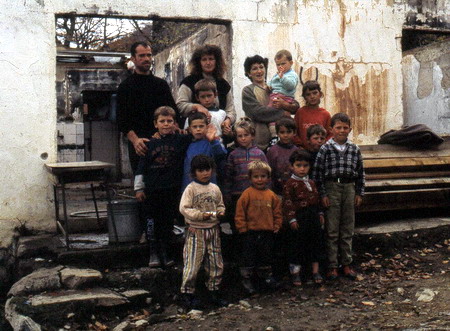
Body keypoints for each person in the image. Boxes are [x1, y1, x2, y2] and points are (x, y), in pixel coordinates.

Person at [134, 106, 192, 268]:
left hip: (171, 190)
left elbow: (195, 132)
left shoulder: (180, 140)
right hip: (152, 191)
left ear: (175, 123)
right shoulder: (149, 144)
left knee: (167, 224)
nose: (166, 124)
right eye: (162, 121)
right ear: (155, 124)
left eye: (169, 121)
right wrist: (139, 189)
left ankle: (166, 253)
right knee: (151, 223)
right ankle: (153, 253)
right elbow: (141, 168)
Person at [312, 113, 365, 280]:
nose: (342, 130)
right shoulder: (325, 149)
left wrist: (359, 192)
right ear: (331, 129)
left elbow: (361, 173)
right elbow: (317, 174)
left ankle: (347, 264)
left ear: (350, 129)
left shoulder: (354, 149)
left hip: (349, 188)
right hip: (332, 188)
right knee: (332, 229)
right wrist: (323, 194)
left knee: (347, 228)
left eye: (345, 127)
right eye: (338, 127)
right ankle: (332, 265)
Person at [117, 41, 179, 174]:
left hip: (164, 144)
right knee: (142, 188)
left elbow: (174, 113)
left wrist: (172, 132)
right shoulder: (125, 87)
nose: (146, 59)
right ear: (133, 58)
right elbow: (121, 120)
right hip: (141, 146)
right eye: (142, 56)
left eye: (149, 55)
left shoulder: (161, 85)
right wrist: (135, 141)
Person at [179, 155, 227, 309]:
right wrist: (200, 215)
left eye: (207, 169)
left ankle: (214, 291)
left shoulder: (215, 188)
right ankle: (187, 294)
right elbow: (184, 208)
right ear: (194, 172)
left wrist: (220, 212)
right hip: (196, 230)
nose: (205, 173)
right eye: (201, 170)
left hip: (213, 230)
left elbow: (220, 204)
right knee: (192, 263)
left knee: (215, 262)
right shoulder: (191, 189)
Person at [234, 160, 282, 294]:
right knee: (248, 256)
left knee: (265, 256)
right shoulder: (247, 194)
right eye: (256, 177)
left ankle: (265, 278)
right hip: (250, 232)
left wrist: (277, 225)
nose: (259, 179)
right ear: (250, 178)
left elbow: (277, 213)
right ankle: (246, 280)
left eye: (263, 176)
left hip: (267, 232)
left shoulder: (271, 195)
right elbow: (239, 213)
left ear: (268, 178)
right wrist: (242, 228)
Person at [283, 150, 324, 286]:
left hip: (312, 217)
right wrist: (292, 219)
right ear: (292, 166)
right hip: (299, 217)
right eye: (298, 165)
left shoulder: (311, 182)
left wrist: (320, 213)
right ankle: (295, 274)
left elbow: (316, 199)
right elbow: (288, 203)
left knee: (315, 243)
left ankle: (315, 271)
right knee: (297, 245)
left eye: (305, 165)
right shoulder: (290, 183)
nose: (302, 169)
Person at [242, 55, 299, 151]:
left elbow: (295, 105)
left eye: (261, 67)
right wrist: (283, 111)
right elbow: (257, 112)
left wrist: (286, 105)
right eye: (254, 69)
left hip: (282, 141)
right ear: (249, 73)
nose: (259, 71)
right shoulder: (248, 90)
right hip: (259, 142)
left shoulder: (273, 87)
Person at [177, 45, 235, 136]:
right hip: (195, 137)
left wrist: (227, 120)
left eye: (211, 59)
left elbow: (230, 110)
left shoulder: (224, 85)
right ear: (199, 62)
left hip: (218, 137)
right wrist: (196, 107)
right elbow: (180, 105)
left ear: (217, 61)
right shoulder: (188, 82)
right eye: (204, 59)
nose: (208, 63)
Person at [224, 118, 268, 227]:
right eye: (240, 136)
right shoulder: (233, 155)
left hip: (256, 194)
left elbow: (267, 175)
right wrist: (227, 195)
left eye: (246, 135)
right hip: (237, 195)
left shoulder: (259, 154)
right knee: (238, 223)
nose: (243, 138)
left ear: (252, 136)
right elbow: (228, 177)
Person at [182, 112, 227, 191]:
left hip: (209, 186)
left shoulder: (211, 142)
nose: (198, 129)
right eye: (195, 127)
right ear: (189, 129)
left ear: (207, 127)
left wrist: (213, 140)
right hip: (190, 187)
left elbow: (221, 154)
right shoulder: (186, 144)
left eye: (201, 126)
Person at [267, 50, 299, 138]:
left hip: (285, 97)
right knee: (271, 113)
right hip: (274, 97)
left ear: (291, 63)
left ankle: (286, 133)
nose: (280, 66)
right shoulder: (277, 74)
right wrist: (269, 86)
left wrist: (282, 77)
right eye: (278, 64)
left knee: (284, 116)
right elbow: (272, 82)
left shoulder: (292, 75)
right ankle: (274, 132)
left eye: (283, 64)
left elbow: (290, 86)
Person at [293, 80, 331, 149]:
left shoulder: (325, 114)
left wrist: (323, 145)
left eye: (315, 93)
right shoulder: (300, 113)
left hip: (320, 151)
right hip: (303, 152)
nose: (312, 96)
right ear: (304, 97)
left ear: (320, 94)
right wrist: (299, 145)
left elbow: (330, 135)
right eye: (308, 94)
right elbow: (294, 132)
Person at [266, 117, 299, 196]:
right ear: (277, 133)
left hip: (294, 190)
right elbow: (268, 172)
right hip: (277, 190)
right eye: (282, 132)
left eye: (289, 132)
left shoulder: (297, 151)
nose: (285, 135)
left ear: (294, 133)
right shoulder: (272, 151)